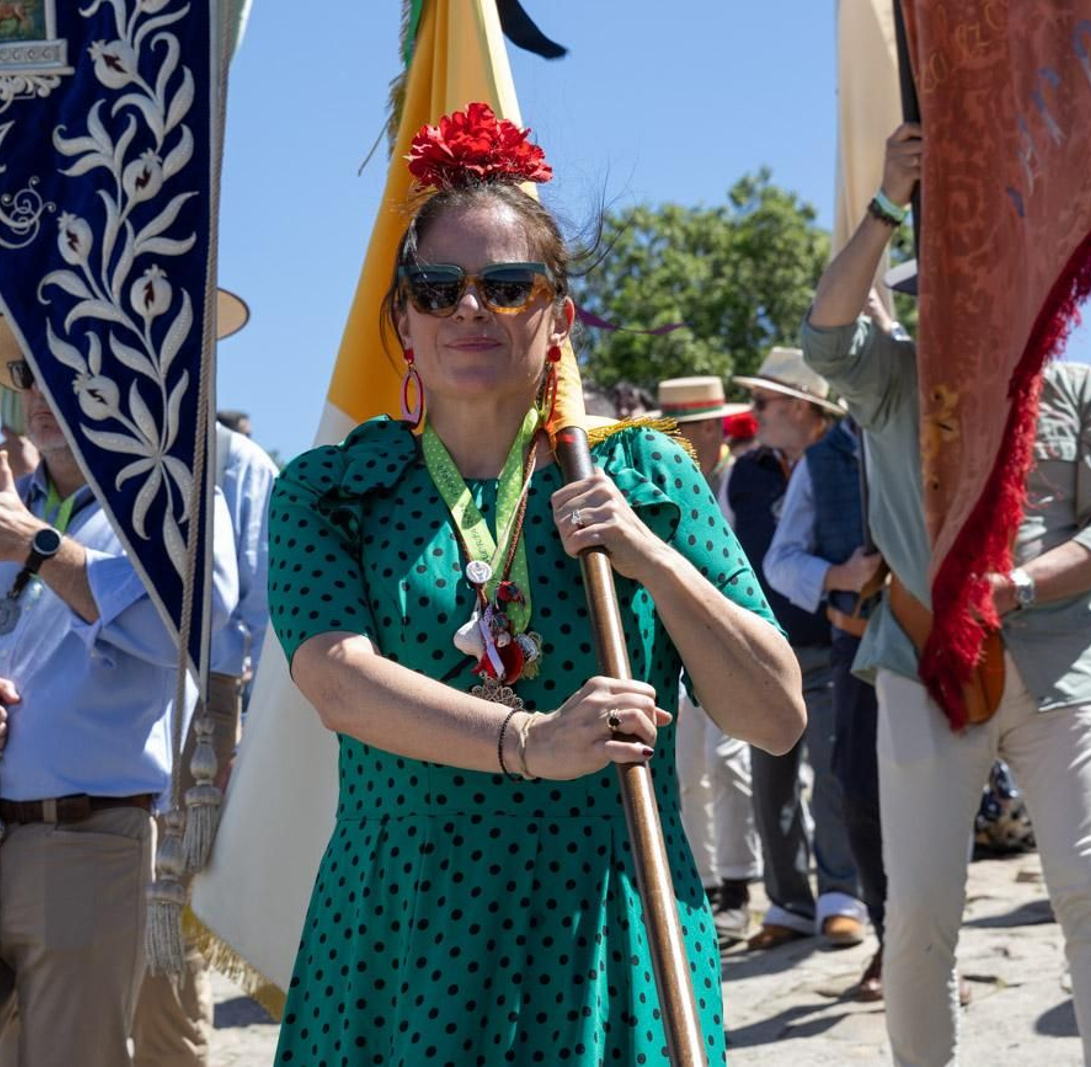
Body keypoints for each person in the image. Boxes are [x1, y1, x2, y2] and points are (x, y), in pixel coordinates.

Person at [267, 103, 804, 1065]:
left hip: (606, 910)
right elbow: (337, 683)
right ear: (403, 324)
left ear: (557, 315)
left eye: (506, 285)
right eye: (437, 289)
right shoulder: (331, 490)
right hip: (402, 921)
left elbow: (775, 715)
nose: (470, 308)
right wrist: (534, 740)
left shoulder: (647, 475)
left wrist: (655, 561)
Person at [804, 121, 1091, 1065]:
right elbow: (824, 332)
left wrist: (1023, 584)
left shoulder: (1081, 390)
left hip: (1060, 668)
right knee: (919, 915)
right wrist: (888, 203)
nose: (963, 308)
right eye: (940, 295)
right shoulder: (891, 379)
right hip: (921, 667)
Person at [0, 336, 237, 1067]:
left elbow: (185, 633)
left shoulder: (178, 503)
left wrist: (37, 545)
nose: (40, 391)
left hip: (89, 841)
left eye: (69, 368)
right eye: (29, 372)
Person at [130, 419, 277, 1066]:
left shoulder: (233, 459)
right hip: (92, 688)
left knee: (166, 908)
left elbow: (267, 610)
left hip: (199, 697)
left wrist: (239, 731)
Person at [719, 347, 868, 952]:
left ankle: (840, 898)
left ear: (807, 410)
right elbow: (725, 556)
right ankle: (788, 902)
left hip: (832, 645)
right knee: (769, 781)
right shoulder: (743, 476)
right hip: (764, 650)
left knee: (835, 772)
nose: (753, 415)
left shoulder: (852, 465)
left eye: (764, 402)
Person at [763, 391, 889, 998]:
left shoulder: (926, 432)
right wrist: (840, 577)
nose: (756, 412)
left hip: (937, 647)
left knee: (923, 795)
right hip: (845, 648)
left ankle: (913, 936)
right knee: (850, 784)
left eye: (766, 401)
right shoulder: (819, 461)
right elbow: (779, 560)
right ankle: (882, 933)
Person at [655, 376, 760, 945]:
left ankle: (741, 885)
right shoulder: (653, 476)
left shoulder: (744, 479)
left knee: (729, 762)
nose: (712, 436)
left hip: (732, 644)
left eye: (714, 426)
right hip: (673, 644)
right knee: (688, 768)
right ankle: (710, 884)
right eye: (698, 428)